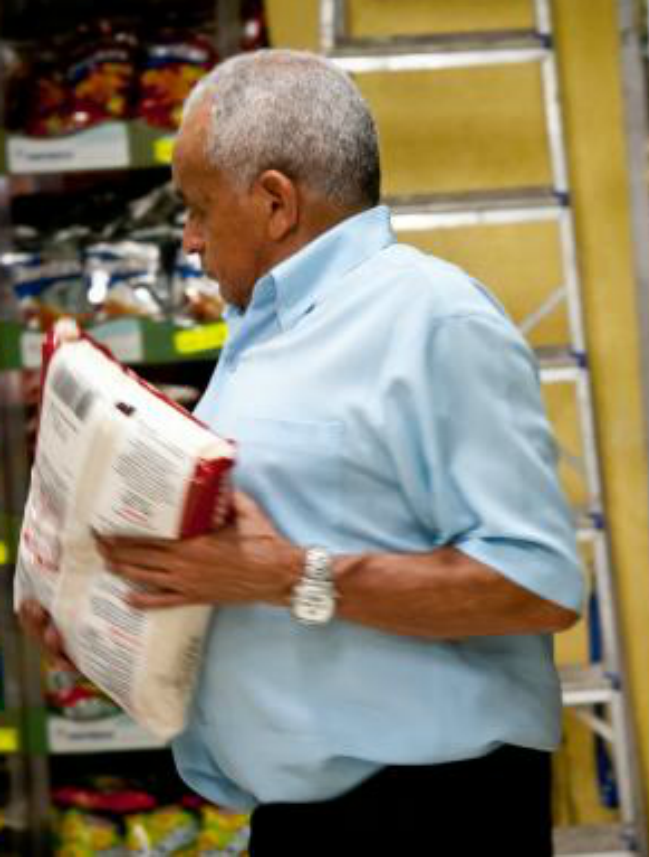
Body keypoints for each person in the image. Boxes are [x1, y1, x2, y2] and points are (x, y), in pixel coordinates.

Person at [19, 49, 585, 856]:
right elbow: (254, 564)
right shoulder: (263, 331)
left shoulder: (433, 319)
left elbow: (537, 586)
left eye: (199, 208)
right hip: (299, 817)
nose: (188, 238)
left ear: (277, 201)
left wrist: (288, 574)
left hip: (428, 815)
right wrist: (97, 611)